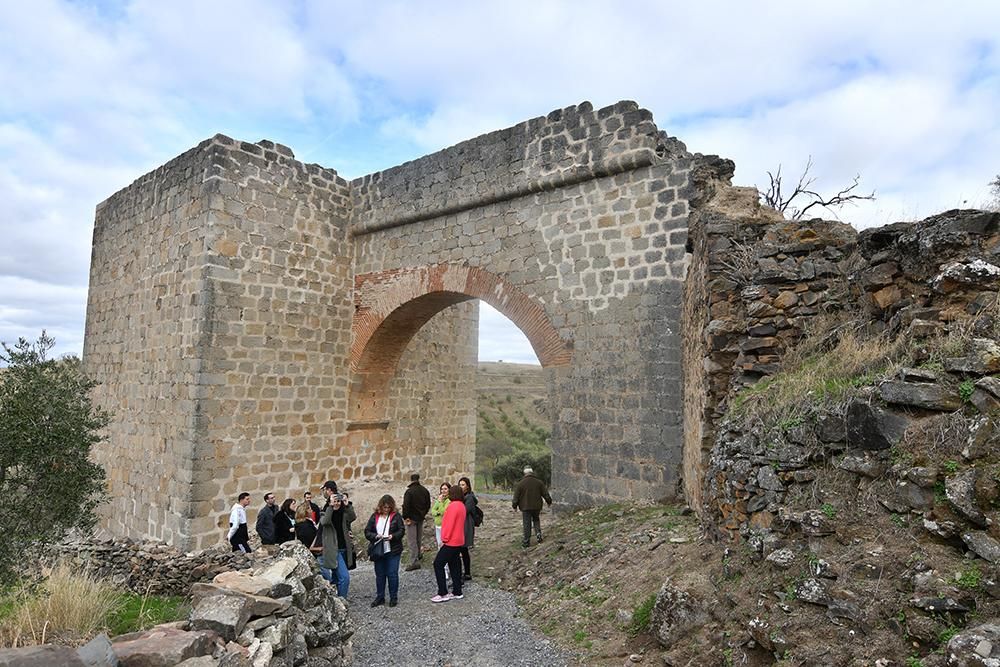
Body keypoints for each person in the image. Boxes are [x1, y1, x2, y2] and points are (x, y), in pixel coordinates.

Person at [364, 494, 404, 608]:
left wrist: (393, 536)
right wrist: (376, 536)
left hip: (393, 549)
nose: (386, 510)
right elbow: (367, 531)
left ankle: (393, 597)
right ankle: (380, 596)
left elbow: (401, 531)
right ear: (381, 507)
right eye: (384, 507)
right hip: (379, 549)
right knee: (380, 574)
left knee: (392, 574)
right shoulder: (374, 516)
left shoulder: (396, 516)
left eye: (388, 507)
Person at [431, 485, 467, 603]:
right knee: (454, 564)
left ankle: (443, 593)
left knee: (438, 563)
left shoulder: (452, 506)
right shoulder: (462, 506)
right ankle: (457, 591)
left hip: (450, 541)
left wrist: (444, 540)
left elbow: (449, 525)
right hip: (459, 540)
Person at [319, 487, 356, 597]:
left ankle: (333, 600)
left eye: (338, 500)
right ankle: (342, 602)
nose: (337, 503)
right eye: (335, 500)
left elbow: (352, 517)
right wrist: (331, 506)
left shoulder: (343, 513)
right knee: (345, 578)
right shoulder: (325, 512)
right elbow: (325, 522)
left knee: (336, 577)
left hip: (345, 548)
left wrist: (347, 504)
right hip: (334, 549)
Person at [512, 466, 553, 548]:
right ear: (532, 473)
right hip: (537, 506)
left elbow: (516, 497)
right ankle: (538, 534)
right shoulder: (539, 482)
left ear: (525, 473)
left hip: (525, 507)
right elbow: (545, 494)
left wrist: (514, 506)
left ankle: (526, 542)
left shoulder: (520, 483)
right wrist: (549, 502)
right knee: (536, 519)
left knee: (527, 524)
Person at [294, 502, 333, 584]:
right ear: (305, 511)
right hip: (314, 553)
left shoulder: (304, 524)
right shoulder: (305, 526)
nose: (312, 510)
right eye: (309, 509)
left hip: (312, 552)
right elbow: (310, 539)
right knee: (324, 574)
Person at [402, 472, 431, 571]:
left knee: (411, 541)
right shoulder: (424, 491)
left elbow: (406, 506)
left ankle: (414, 561)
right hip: (420, 517)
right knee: (418, 538)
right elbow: (428, 504)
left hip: (411, 519)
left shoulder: (409, 492)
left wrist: (406, 517)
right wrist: (423, 514)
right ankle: (418, 555)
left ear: (411, 480)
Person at [430, 482, 452, 581]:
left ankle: (448, 569)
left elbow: (444, 512)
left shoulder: (449, 501)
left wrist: (440, 503)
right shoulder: (439, 499)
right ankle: (444, 569)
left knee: (444, 547)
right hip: (438, 526)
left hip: (445, 527)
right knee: (439, 546)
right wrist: (438, 511)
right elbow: (433, 511)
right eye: (442, 489)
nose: (443, 491)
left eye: (445, 489)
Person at [458, 476, 478, 581]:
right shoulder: (462, 497)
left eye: (463, 485)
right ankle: (464, 572)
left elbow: (465, 511)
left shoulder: (469, 498)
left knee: (463, 549)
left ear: (467, 486)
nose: (461, 487)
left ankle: (467, 573)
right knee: (462, 550)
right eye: (460, 485)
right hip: (461, 524)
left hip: (466, 524)